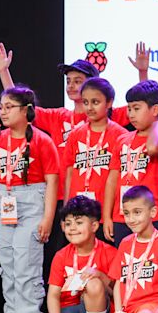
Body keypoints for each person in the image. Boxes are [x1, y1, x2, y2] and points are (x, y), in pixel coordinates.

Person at [0, 42, 145, 282]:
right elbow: (20, 108)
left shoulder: (110, 118)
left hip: (103, 201)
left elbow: (141, 106)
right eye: (69, 80)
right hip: (64, 198)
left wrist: (143, 73)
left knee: (103, 258)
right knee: (65, 257)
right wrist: (3, 73)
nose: (72, 85)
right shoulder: (59, 117)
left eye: (78, 80)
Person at [0, 85, 60, 313]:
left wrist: (48, 217)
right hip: (3, 200)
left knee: (27, 261)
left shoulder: (41, 140)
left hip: (31, 200)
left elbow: (52, 182)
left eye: (8, 107)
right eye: (0, 107)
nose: (3, 112)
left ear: (26, 110)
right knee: (8, 262)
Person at [40, 195, 117, 313]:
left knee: (93, 283)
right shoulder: (61, 256)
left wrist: (101, 277)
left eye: (79, 222)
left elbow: (118, 294)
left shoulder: (109, 253)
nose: (72, 228)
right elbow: (53, 295)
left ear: (94, 226)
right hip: (68, 311)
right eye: (68, 224)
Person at [103, 80, 158, 244]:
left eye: (136, 108)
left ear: (154, 109)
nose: (130, 114)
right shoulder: (122, 140)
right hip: (123, 216)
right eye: (129, 108)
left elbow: (154, 148)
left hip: (155, 215)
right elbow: (112, 180)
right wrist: (107, 216)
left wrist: (157, 124)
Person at [62, 78, 127, 243]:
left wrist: (111, 216)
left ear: (109, 102)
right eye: (85, 102)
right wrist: (67, 211)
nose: (89, 107)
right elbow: (70, 173)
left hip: (105, 215)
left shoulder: (120, 135)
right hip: (78, 213)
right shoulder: (76, 135)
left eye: (95, 102)